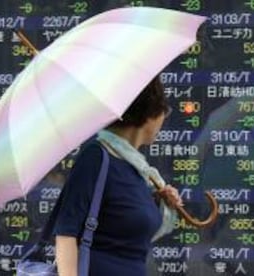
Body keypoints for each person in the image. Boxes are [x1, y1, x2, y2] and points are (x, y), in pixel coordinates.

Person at [53, 76, 182, 276]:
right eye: (164, 110)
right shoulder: (96, 156)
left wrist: (158, 204)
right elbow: (66, 233)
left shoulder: (137, 168)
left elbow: (127, 230)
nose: (164, 118)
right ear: (149, 112)